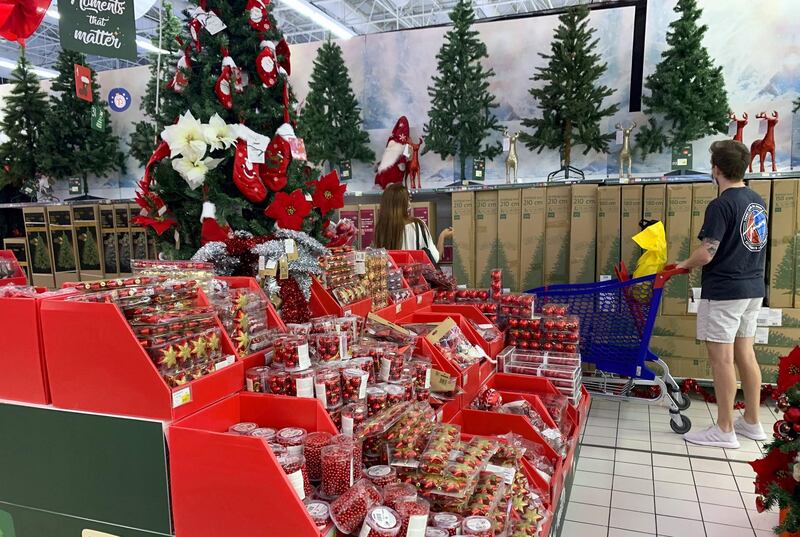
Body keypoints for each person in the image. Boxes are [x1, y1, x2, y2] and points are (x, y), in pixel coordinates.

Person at [677, 140, 768, 448]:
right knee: (746, 354)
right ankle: (752, 422)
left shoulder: (721, 204)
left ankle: (725, 428)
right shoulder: (757, 201)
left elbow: (708, 252)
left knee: (722, 360)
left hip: (726, 291)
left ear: (716, 169)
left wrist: (683, 264)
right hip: (753, 288)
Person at [374, 183, 452, 263]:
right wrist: (443, 236)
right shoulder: (417, 225)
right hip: (413, 274)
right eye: (408, 199)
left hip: (389, 274)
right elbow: (434, 258)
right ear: (405, 203)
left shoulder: (380, 228)